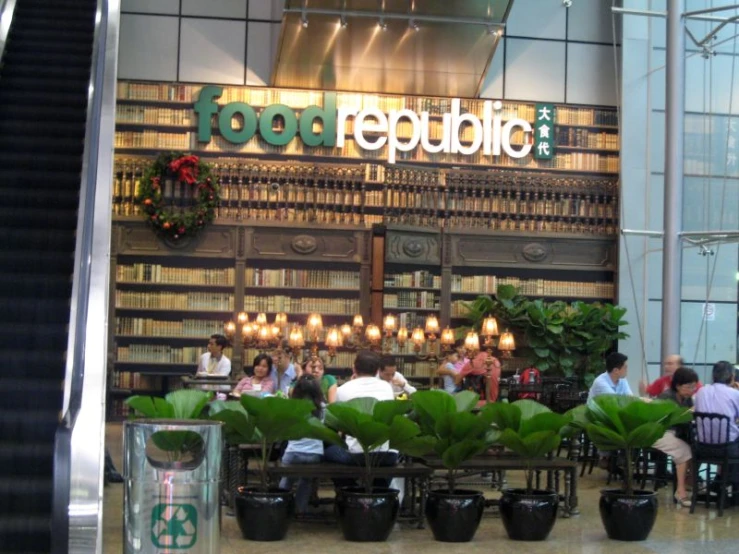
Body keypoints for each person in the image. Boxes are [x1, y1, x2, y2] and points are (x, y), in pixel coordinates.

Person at [324, 350, 398, 484]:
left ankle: (348, 489)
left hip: (357, 455)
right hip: (387, 455)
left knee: (327, 450)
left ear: (354, 368)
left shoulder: (343, 389)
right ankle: (381, 490)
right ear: (377, 371)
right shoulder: (387, 387)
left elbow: (335, 420)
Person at [278, 374, 326, 514]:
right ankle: (300, 509)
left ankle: (281, 507)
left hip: (293, 452)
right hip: (315, 454)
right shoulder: (322, 407)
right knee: (306, 481)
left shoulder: (291, 406)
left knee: (287, 478)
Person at [655, 366, 699, 507]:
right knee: (684, 450)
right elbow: (662, 421)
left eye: (693, 386)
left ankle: (690, 482)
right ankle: (680, 491)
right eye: (688, 386)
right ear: (678, 385)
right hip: (660, 433)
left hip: (677, 433)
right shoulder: (666, 397)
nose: (691, 390)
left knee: (696, 447)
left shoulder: (687, 399)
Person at [693, 361, 739, 491]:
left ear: (713, 376)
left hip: (702, 448)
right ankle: (733, 487)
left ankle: (720, 481)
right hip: (727, 449)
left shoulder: (701, 392)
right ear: (731, 376)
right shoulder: (735, 394)